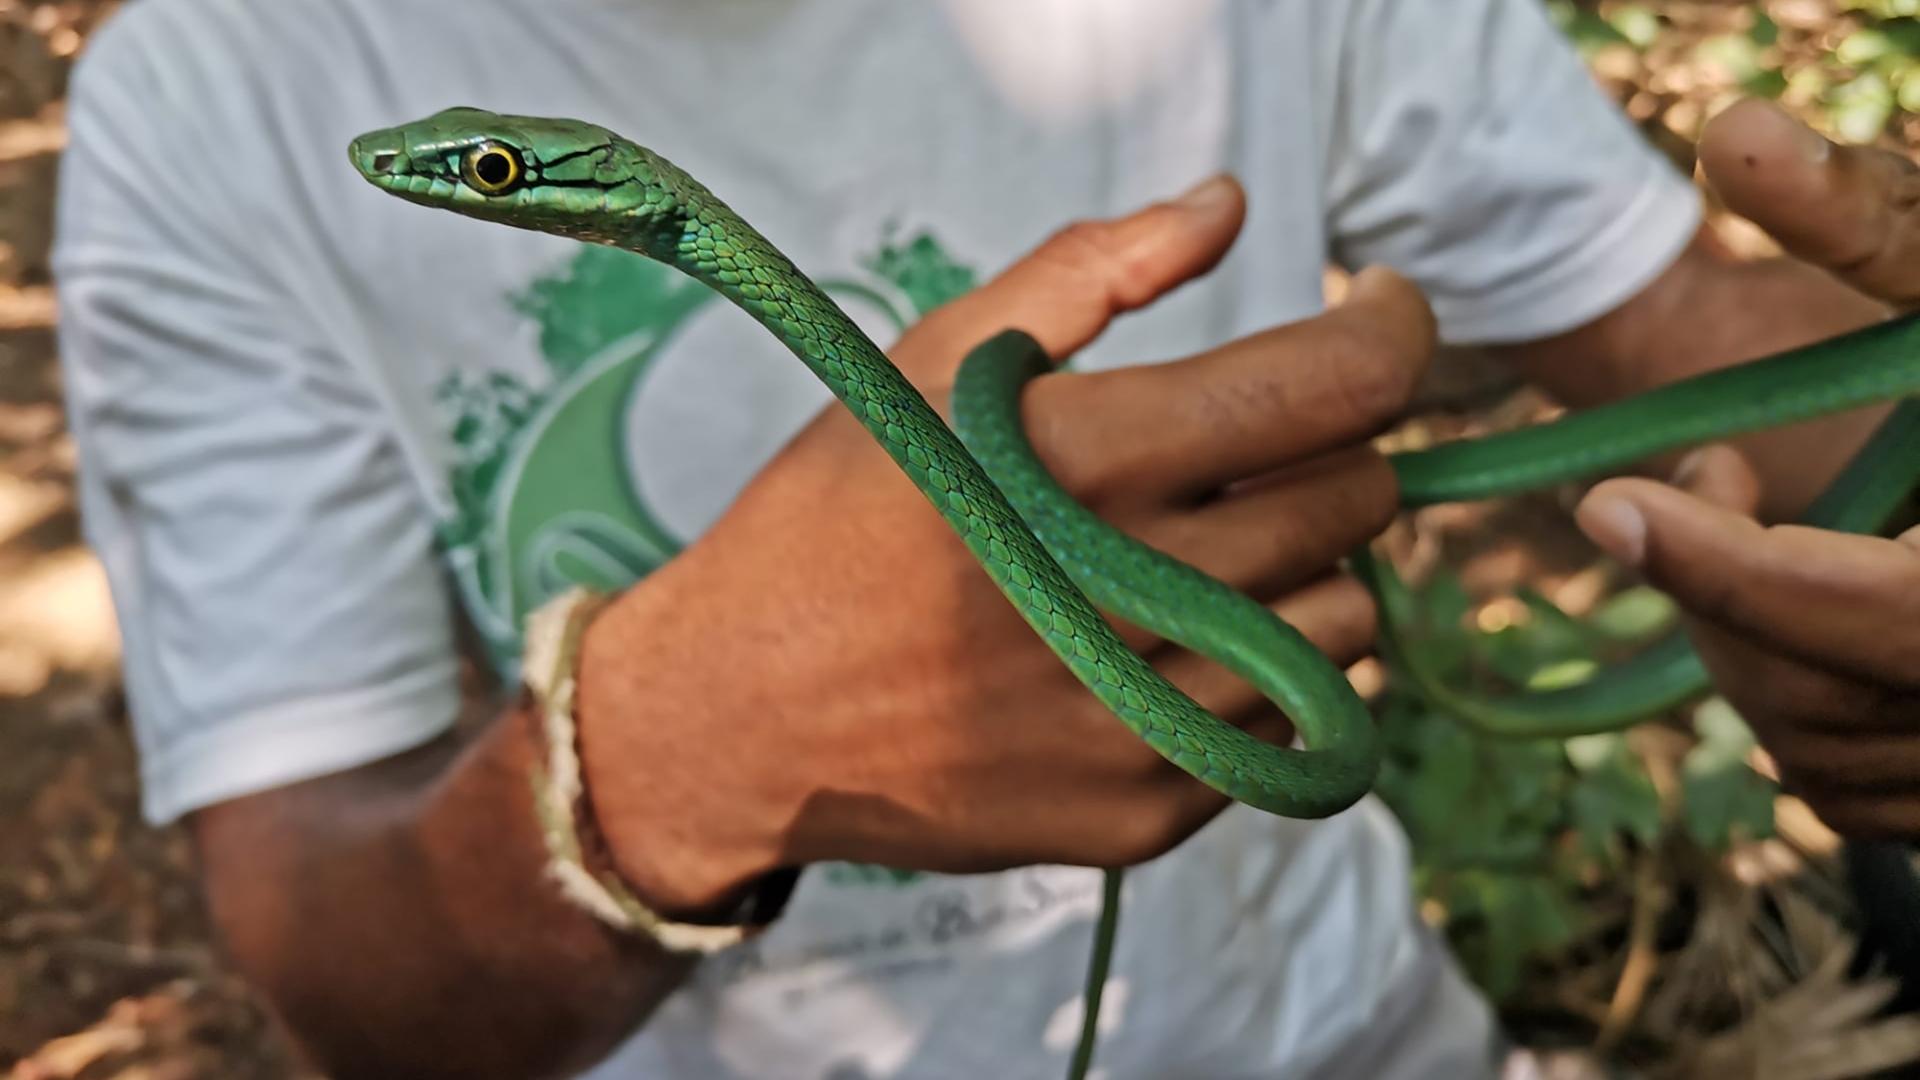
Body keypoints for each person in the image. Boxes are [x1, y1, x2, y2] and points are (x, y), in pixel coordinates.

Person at [50, 0, 1915, 1076]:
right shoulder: (219, 95)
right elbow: (330, 950)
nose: (470, 190)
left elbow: (1678, 328)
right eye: (484, 182)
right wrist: (671, 761)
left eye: (491, 178)